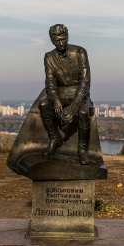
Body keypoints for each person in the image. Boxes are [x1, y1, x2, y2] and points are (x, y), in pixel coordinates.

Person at [38, 24, 94, 165]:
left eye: (63, 39)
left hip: (80, 94)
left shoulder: (80, 52)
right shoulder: (49, 57)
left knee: (82, 112)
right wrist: (56, 101)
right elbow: (50, 83)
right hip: (60, 93)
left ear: (67, 37)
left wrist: (75, 103)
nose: (61, 43)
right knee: (44, 104)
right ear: (52, 40)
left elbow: (85, 81)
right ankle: (54, 138)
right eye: (57, 40)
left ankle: (82, 150)